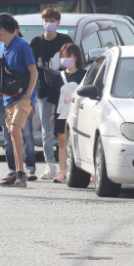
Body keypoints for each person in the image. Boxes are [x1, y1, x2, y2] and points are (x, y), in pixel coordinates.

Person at [0, 13, 38, 188]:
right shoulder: (1, 50)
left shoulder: (22, 47)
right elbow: (0, 81)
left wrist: (29, 97)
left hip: (22, 98)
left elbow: (34, 73)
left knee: (15, 131)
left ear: (2, 29)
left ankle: (23, 172)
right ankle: (17, 173)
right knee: (12, 136)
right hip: (7, 99)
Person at [29, 7, 73, 180]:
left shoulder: (65, 40)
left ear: (58, 23)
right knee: (47, 130)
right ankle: (50, 166)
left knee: (64, 130)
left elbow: (73, 62)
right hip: (44, 92)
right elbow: (31, 68)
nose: (49, 24)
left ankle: (68, 165)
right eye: (46, 21)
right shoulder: (36, 43)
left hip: (64, 92)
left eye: (52, 21)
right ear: (42, 22)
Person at [52, 43, 86, 183]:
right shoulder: (59, 76)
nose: (64, 59)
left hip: (80, 115)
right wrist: (53, 114)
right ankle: (62, 171)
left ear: (76, 57)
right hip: (62, 114)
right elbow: (54, 98)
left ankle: (87, 171)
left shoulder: (84, 75)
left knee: (81, 142)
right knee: (62, 142)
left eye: (68, 56)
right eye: (62, 57)